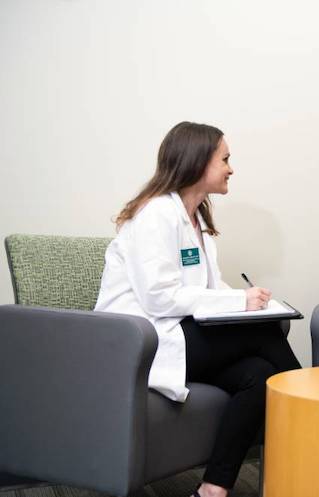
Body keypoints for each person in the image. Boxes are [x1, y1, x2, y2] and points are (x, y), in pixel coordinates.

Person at [95, 121, 300, 497]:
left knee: (258, 373)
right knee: (262, 332)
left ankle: (212, 490)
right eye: (225, 159)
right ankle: (314, 418)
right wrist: (240, 303)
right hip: (141, 342)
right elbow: (158, 296)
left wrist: (250, 300)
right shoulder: (156, 214)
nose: (231, 168)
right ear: (198, 161)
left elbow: (207, 288)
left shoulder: (197, 219)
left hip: (180, 333)